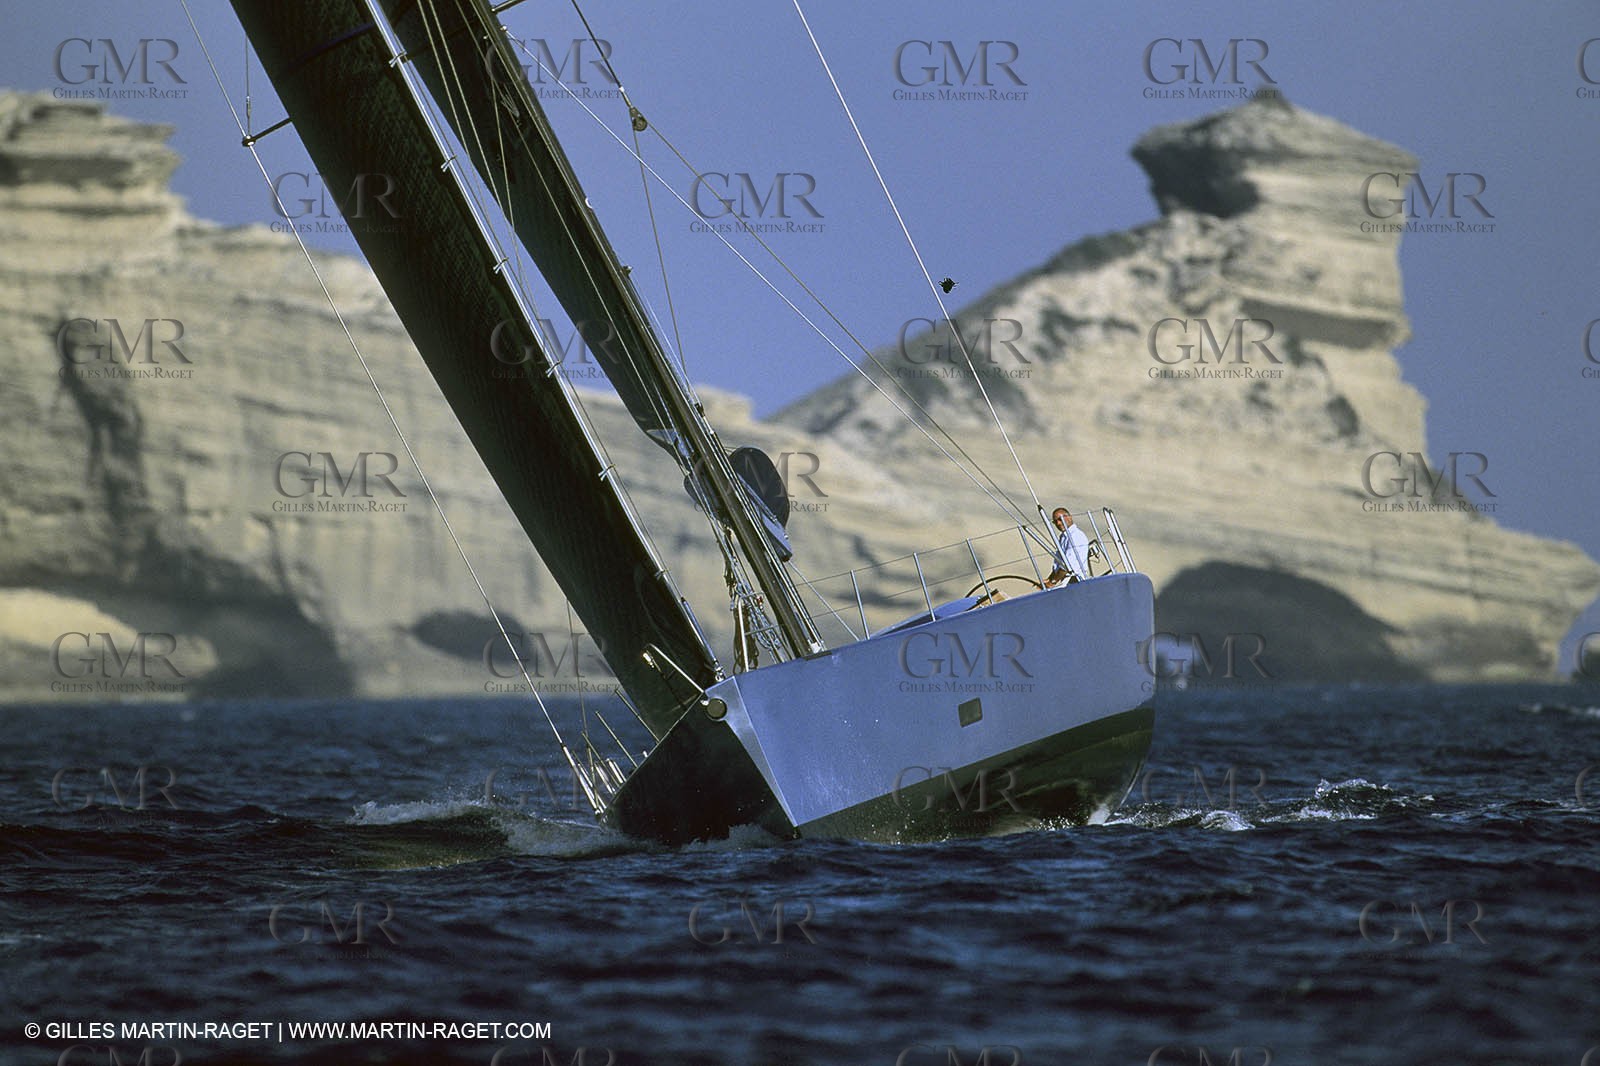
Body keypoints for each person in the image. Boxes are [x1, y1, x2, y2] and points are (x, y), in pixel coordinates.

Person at [1045, 507, 1090, 586]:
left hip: (1076, 581)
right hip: (1066, 581)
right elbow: (1059, 563)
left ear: (1069, 517)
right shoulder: (1063, 537)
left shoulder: (1076, 536)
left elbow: (1067, 566)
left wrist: (1052, 582)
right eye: (1055, 522)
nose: (1058, 523)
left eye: (1060, 519)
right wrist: (1049, 579)